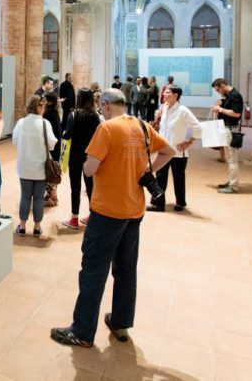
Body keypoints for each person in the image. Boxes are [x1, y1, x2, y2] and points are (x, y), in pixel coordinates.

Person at [50, 89, 175, 348]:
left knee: (93, 272)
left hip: (107, 212)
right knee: (126, 270)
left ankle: (82, 331)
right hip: (134, 211)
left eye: (101, 106)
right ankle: (120, 322)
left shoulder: (106, 130)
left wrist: (86, 165)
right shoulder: (141, 126)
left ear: (105, 105)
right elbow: (169, 152)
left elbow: (90, 167)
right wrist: (143, 169)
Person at [147, 85, 201, 212]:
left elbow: (197, 127)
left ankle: (180, 202)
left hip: (178, 152)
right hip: (163, 151)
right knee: (160, 178)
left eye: (167, 93)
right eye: (164, 92)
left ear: (176, 95)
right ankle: (158, 204)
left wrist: (188, 142)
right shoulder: (163, 108)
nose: (164, 95)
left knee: (179, 178)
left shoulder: (183, 110)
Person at [12, 95, 57, 237]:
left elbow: (14, 141)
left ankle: (22, 227)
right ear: (38, 107)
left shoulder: (21, 123)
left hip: (24, 167)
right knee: (38, 198)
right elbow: (52, 144)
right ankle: (37, 227)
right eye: (43, 107)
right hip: (40, 168)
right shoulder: (45, 124)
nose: (44, 110)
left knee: (25, 196)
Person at [61, 88, 101, 229]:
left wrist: (64, 132)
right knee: (91, 186)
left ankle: (74, 218)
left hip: (75, 156)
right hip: (90, 156)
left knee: (75, 186)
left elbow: (67, 135)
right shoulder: (96, 117)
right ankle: (92, 215)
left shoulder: (73, 115)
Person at [210, 78, 243, 193]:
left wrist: (220, 109)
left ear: (223, 84)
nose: (218, 92)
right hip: (226, 129)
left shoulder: (235, 95)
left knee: (232, 159)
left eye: (218, 89)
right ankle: (232, 181)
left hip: (231, 130)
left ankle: (234, 186)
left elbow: (236, 113)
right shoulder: (229, 95)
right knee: (229, 158)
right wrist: (220, 106)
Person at [43, 92, 61, 207]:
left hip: (51, 147)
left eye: (45, 100)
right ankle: (51, 195)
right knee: (53, 170)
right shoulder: (55, 112)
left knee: (50, 171)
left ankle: (53, 197)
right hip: (56, 146)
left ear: (49, 102)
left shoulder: (48, 114)